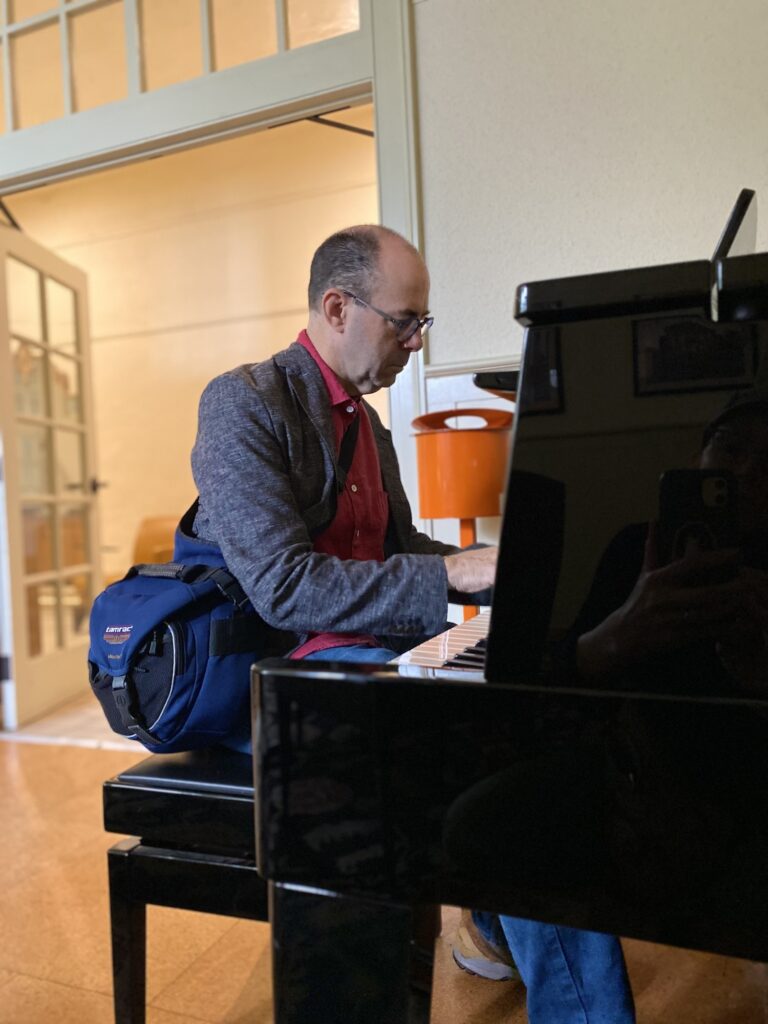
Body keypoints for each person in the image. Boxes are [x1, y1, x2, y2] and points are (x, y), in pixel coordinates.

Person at [190, 224, 636, 1023]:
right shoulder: (244, 403)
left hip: (373, 667)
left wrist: (500, 563)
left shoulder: (367, 423)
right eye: (407, 321)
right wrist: (454, 576)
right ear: (337, 306)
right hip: (292, 690)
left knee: (548, 701)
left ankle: (492, 924)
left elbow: (404, 551)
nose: (417, 342)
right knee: (529, 776)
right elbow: (282, 590)